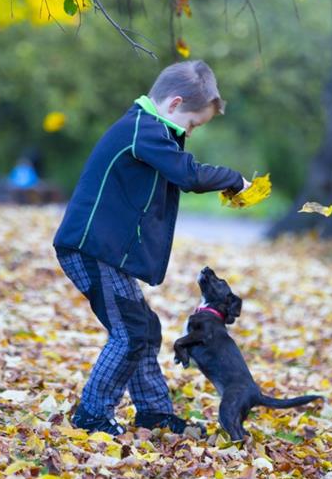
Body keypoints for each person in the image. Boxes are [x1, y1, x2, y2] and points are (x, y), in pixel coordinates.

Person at [52, 60, 251, 436]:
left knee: (145, 326)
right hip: (88, 248)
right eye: (192, 124)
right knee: (130, 330)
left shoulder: (150, 131)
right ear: (174, 105)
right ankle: (91, 414)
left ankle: (154, 412)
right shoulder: (143, 130)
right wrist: (233, 180)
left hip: (104, 251)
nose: (189, 133)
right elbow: (188, 174)